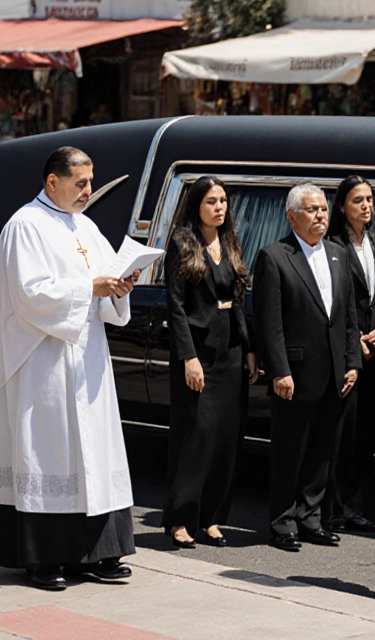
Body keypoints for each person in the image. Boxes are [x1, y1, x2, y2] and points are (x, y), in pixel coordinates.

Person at [0, 147, 140, 591]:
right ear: (52, 182)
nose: (89, 191)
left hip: (88, 358)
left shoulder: (85, 226)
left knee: (96, 451)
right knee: (49, 451)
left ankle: (99, 551)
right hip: (44, 359)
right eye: (80, 183)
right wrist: (90, 287)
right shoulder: (25, 225)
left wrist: (120, 286)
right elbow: (29, 293)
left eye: (91, 182)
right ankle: (44, 558)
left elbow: (105, 285)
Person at [253, 183, 361, 553]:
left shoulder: (338, 254)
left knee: (322, 451)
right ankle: (283, 522)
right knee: (291, 451)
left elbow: (348, 317)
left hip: (334, 372)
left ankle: (311, 517)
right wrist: (278, 370)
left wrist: (352, 362)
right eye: (312, 210)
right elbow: (269, 323)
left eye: (323, 209)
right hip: (295, 374)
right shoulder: (274, 257)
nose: (320, 216)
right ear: (292, 216)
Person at [161, 176, 258, 549]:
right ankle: (181, 519)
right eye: (211, 202)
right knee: (196, 437)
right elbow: (176, 306)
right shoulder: (182, 243)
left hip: (230, 350)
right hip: (198, 351)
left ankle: (212, 518)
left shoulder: (230, 241)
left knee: (225, 438)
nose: (219, 208)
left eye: (223, 201)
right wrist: (188, 356)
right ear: (196, 206)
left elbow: (239, 301)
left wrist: (248, 349)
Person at [323, 175, 375, 535]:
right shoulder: (332, 245)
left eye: (370, 200)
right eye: (358, 200)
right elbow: (332, 298)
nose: (366, 206)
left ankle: (354, 506)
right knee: (340, 434)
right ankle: (331, 509)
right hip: (347, 350)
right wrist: (354, 338)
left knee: (365, 435)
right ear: (342, 206)